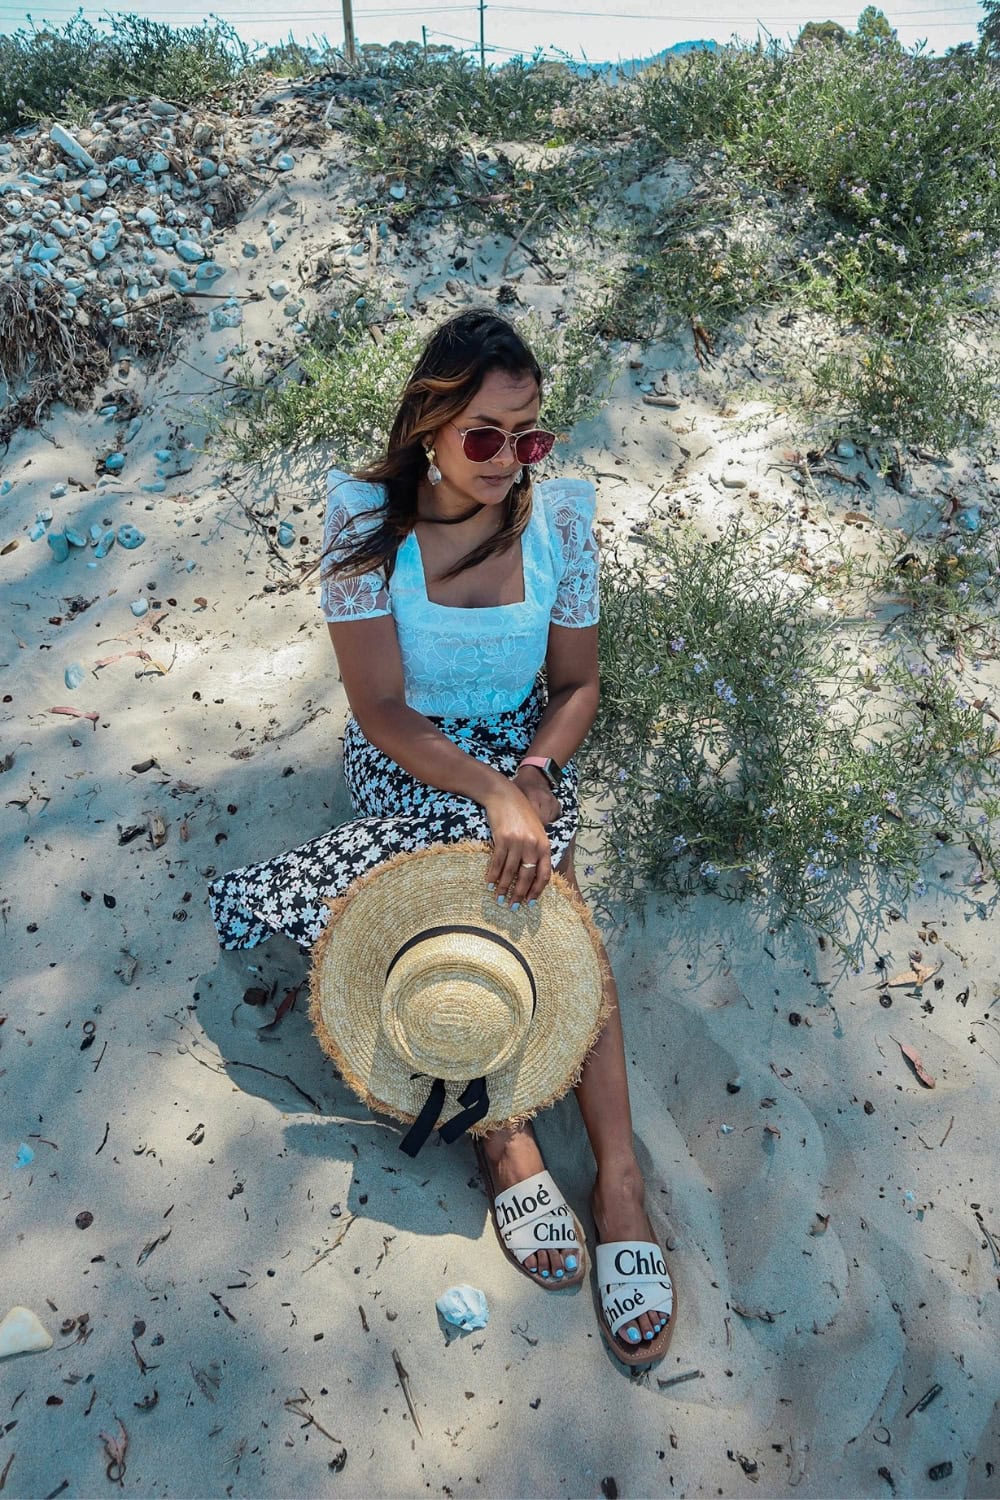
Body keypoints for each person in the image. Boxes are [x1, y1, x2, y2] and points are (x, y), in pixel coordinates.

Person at [206, 308, 674, 1363]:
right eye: (484, 437)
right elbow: (380, 710)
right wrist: (489, 798)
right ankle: (502, 1135)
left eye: (531, 437)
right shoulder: (365, 523)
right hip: (409, 751)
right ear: (430, 423)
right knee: (473, 902)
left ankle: (621, 1177)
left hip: (526, 751)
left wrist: (534, 777)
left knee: (559, 914)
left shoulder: (555, 522)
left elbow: (577, 682)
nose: (511, 462)